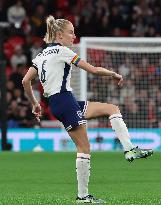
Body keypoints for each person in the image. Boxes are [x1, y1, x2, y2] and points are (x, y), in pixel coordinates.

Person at [22, 15, 153, 204]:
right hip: (65, 101)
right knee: (84, 147)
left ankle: (130, 149)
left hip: (61, 102)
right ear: (59, 34)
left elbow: (26, 81)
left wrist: (35, 103)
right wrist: (114, 73)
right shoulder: (62, 50)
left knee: (111, 108)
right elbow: (91, 69)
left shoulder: (41, 55)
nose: (74, 36)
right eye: (71, 32)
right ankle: (82, 197)